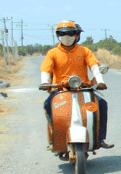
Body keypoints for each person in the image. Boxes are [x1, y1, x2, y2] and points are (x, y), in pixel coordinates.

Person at [40, 20, 113, 149]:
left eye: (70, 34)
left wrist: (100, 81)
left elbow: (94, 66)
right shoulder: (53, 53)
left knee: (101, 104)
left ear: (76, 35)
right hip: (60, 89)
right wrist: (45, 82)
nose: (66, 37)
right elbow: (46, 70)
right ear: (58, 35)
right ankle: (54, 138)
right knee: (47, 105)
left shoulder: (84, 51)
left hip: (84, 88)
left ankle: (100, 138)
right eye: (62, 34)